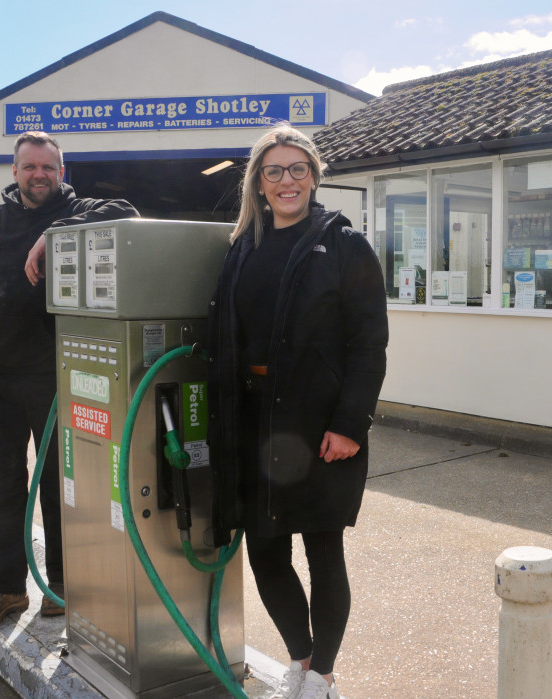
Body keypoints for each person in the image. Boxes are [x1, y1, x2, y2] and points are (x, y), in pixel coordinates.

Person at [207, 124, 388, 699]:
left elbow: (369, 344)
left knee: (322, 550)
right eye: (274, 171)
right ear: (258, 183)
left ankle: (324, 676)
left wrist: (349, 423)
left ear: (314, 176)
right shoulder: (243, 249)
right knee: (264, 552)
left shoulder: (344, 246)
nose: (287, 181)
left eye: (298, 169)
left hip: (317, 424)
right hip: (254, 421)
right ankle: (299, 659)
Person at [0, 131, 138, 630]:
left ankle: (60, 584)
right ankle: (6, 588)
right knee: (3, 486)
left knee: (62, 488)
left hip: (50, 373)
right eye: (29, 167)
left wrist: (55, 231)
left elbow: (126, 210)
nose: (39, 175)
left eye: (48, 167)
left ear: (61, 172)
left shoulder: (80, 208)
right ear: (14, 172)